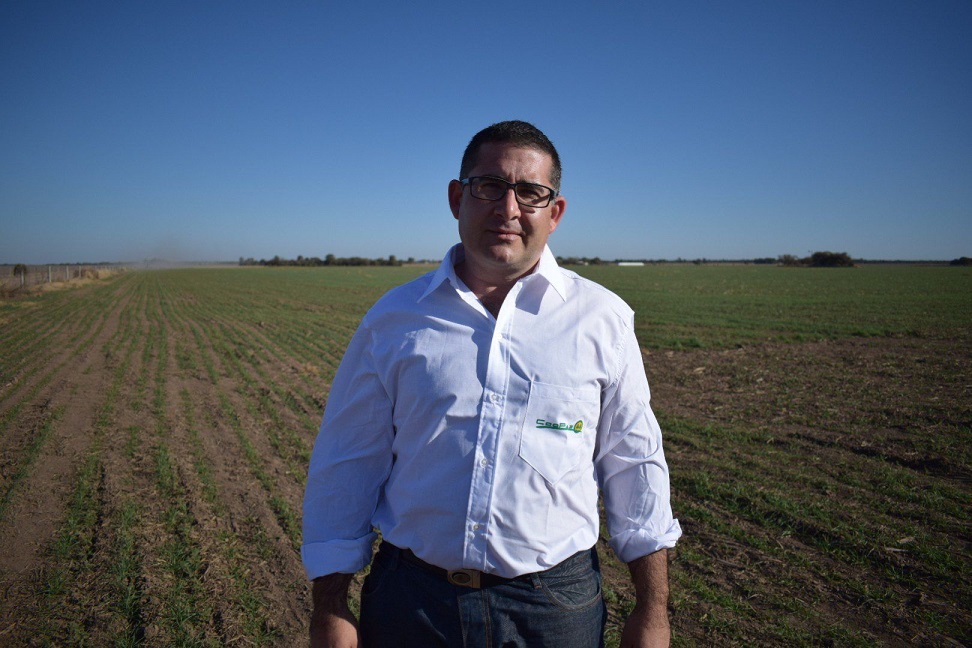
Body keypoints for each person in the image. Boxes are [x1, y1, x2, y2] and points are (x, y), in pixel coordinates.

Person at [302, 120, 681, 648]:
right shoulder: (393, 319)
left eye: (530, 193)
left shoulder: (603, 320)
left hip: (554, 609)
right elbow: (348, 461)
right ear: (458, 198)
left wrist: (653, 611)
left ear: (555, 213)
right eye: (489, 186)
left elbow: (634, 464)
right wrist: (329, 608)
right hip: (411, 601)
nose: (508, 209)